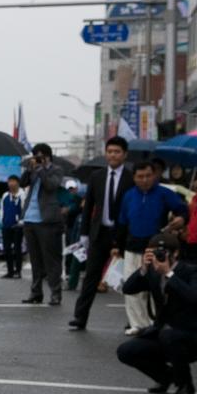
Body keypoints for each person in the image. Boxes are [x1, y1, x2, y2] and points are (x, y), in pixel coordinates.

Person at [116, 232, 197, 394]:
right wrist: (143, 267)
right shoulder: (152, 271)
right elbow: (127, 289)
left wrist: (169, 274)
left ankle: (185, 385)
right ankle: (165, 377)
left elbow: (194, 297)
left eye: (163, 253)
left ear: (175, 253)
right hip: (162, 333)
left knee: (169, 336)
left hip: (189, 337)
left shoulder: (191, 271)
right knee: (125, 351)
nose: (159, 257)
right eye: (155, 253)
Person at [71, 136, 135, 330]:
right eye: (110, 151)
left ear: (124, 154)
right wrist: (84, 234)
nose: (113, 155)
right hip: (99, 233)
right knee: (91, 277)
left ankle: (134, 321)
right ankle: (80, 318)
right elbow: (89, 205)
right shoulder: (96, 177)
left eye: (117, 152)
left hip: (123, 235)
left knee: (130, 279)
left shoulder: (131, 178)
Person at [116, 161, 188, 334]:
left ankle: (159, 322)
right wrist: (116, 247)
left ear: (154, 175)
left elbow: (182, 209)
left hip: (158, 247)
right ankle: (137, 324)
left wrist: (181, 219)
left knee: (158, 286)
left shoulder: (165, 193)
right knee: (132, 285)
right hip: (132, 246)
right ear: (134, 178)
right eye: (140, 176)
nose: (145, 180)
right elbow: (121, 223)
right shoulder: (128, 195)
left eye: (148, 176)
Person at [19, 143, 67, 305]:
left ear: (48, 156)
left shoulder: (56, 170)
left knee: (51, 259)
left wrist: (40, 170)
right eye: (35, 156)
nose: (38, 159)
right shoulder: (33, 170)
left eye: (40, 156)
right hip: (30, 219)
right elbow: (22, 183)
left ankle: (55, 293)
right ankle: (36, 292)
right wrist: (30, 169)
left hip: (48, 221)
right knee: (35, 259)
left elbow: (51, 185)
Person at [0, 174, 25, 279]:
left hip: (17, 225)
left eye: (13, 181)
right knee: (7, 249)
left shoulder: (22, 195)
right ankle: (10, 271)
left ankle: (18, 271)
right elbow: (2, 209)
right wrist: (2, 220)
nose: (11, 184)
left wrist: (22, 222)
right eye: (9, 181)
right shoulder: (5, 195)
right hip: (6, 225)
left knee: (17, 249)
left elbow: (24, 209)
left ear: (18, 183)